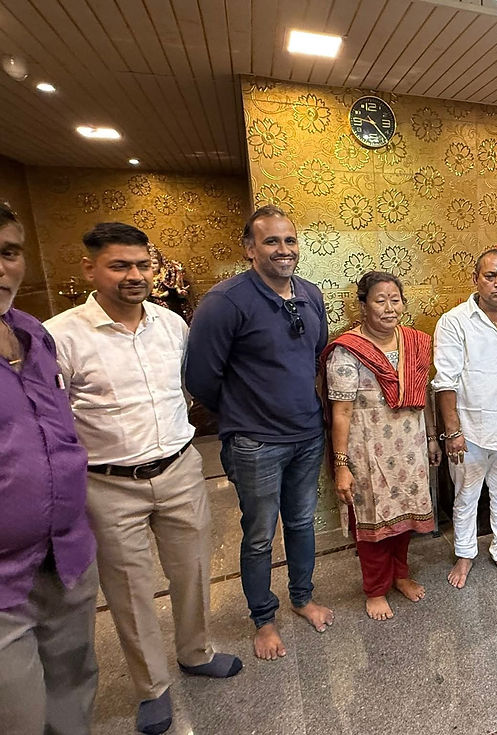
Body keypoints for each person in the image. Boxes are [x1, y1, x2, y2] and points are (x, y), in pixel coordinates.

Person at [44, 222, 243, 734]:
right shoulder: (61, 335)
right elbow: (52, 417)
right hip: (108, 483)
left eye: (142, 265)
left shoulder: (171, 325)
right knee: (130, 589)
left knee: (193, 570)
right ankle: (152, 687)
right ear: (90, 268)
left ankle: (197, 652)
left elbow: (189, 387)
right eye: (119, 265)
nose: (134, 275)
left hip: (178, 469)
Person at [184, 205, 333, 661]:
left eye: (290, 240)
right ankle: (263, 618)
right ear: (250, 249)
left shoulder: (309, 294)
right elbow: (200, 378)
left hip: (307, 435)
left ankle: (302, 597)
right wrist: (245, 412)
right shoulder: (225, 302)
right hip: (255, 443)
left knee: (302, 522)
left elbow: (316, 356)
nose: (283, 250)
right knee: (259, 535)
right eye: (271, 241)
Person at [0, 202, 99, 734]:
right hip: (3, 580)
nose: (0, 268)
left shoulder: (33, 335)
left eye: (8, 252)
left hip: (66, 555)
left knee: (73, 689)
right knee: (18, 713)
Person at [321, 272, 441, 620]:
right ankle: (375, 589)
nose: (389, 308)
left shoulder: (413, 342)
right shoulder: (347, 351)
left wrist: (431, 437)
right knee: (372, 525)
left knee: (405, 518)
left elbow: (422, 396)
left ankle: (400, 575)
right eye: (380, 300)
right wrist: (341, 465)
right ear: (363, 305)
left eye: (395, 300)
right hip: (367, 452)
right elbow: (341, 412)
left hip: (409, 449)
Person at [433, 250, 497, 588]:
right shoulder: (455, 322)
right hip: (469, 433)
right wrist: (453, 432)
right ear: (475, 279)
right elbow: (445, 382)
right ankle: (465, 554)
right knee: (466, 496)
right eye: (491, 276)